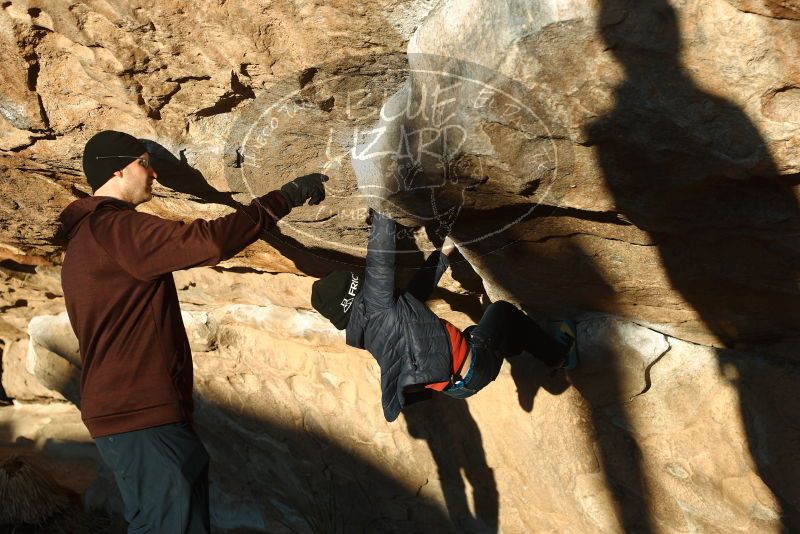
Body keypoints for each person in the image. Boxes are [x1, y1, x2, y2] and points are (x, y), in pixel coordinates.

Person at [59, 130, 326, 533]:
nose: (153, 175)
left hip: (133, 414)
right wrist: (283, 197)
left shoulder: (86, 237)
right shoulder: (114, 229)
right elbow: (209, 243)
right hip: (140, 414)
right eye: (144, 163)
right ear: (116, 170)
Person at [311, 210, 577, 422]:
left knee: (479, 331)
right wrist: (381, 204)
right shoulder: (376, 305)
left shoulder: (372, 327)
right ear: (356, 292)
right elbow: (380, 256)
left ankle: (518, 346)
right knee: (502, 311)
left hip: (458, 388)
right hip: (476, 365)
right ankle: (560, 356)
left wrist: (446, 250)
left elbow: (418, 290)